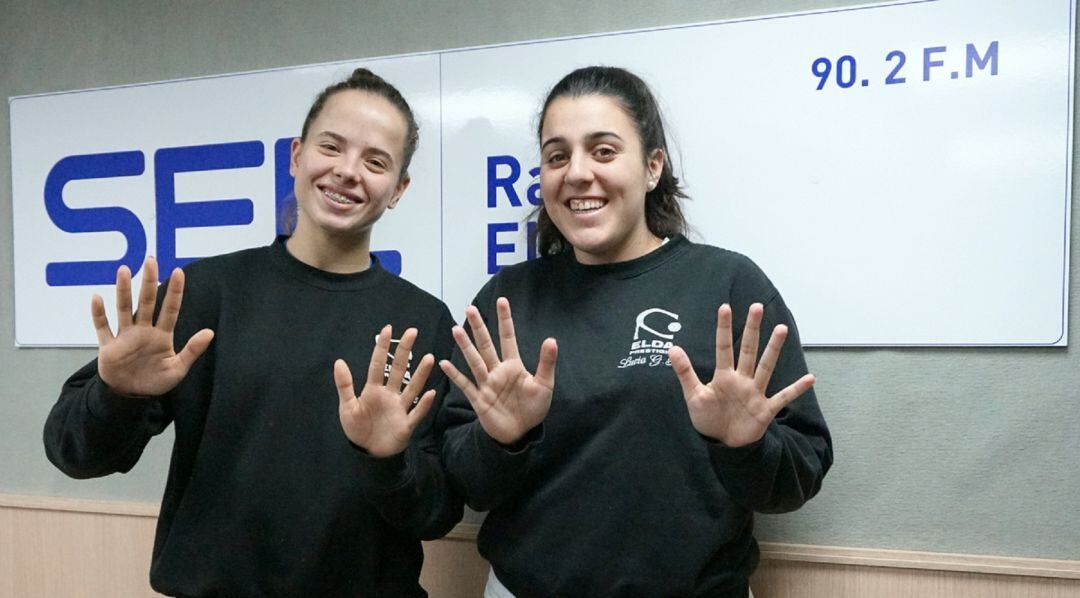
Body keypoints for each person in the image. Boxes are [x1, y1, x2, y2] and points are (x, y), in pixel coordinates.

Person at [44, 68, 462, 597]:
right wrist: (118, 394)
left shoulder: (422, 322)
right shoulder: (203, 292)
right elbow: (72, 453)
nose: (347, 172)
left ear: (398, 189)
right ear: (295, 155)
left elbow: (437, 513)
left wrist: (388, 463)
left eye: (375, 162)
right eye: (330, 147)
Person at [439, 66, 833, 597]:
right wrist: (500, 440)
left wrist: (745, 445)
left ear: (652, 168)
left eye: (603, 151)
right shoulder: (509, 302)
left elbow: (797, 478)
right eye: (558, 156)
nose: (577, 173)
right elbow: (466, 484)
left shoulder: (729, 286)